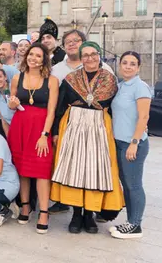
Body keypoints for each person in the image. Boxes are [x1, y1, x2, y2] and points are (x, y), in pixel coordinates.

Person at [51, 41, 123, 234]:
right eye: (86, 55)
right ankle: (76, 214)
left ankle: (89, 214)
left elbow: (117, 108)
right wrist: (56, 132)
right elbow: (60, 105)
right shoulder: (70, 78)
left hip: (99, 125)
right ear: (81, 58)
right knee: (74, 169)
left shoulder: (110, 79)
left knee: (95, 170)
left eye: (93, 54)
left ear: (99, 56)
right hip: (74, 123)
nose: (90, 58)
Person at [7, 43, 59, 234]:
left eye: (38, 56)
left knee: (41, 170)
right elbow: (12, 104)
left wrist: (44, 134)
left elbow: (52, 110)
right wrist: (12, 103)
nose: (33, 58)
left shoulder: (52, 80)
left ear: (44, 60)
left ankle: (44, 212)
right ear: (25, 56)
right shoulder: (16, 77)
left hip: (40, 128)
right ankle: (26, 206)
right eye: (31, 54)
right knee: (22, 169)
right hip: (20, 126)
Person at [108, 51, 151, 239]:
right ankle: (130, 221)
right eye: (124, 63)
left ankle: (136, 225)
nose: (127, 66)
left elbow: (144, 116)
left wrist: (134, 142)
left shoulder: (140, 87)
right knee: (126, 184)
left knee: (134, 185)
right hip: (119, 141)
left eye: (132, 64)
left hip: (133, 143)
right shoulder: (121, 86)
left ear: (138, 67)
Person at [0, 67, 16, 137]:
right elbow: (4, 121)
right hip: (14, 131)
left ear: (5, 77)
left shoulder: (15, 88)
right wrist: (8, 138)